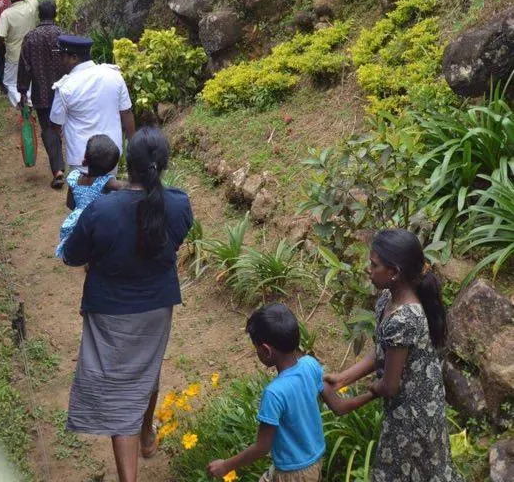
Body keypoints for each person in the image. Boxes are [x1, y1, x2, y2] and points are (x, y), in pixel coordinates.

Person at [62, 127, 193, 482]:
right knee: (146, 370)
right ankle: (146, 434)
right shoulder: (179, 204)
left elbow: (73, 257)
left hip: (109, 310)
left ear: (126, 166)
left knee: (119, 386)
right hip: (157, 308)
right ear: (162, 165)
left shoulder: (101, 210)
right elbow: (174, 242)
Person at [324, 229, 462, 482]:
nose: (368, 269)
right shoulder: (388, 299)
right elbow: (382, 353)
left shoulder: (404, 319)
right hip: (410, 406)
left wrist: (350, 403)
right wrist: (343, 378)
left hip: (414, 415)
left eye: (374, 265)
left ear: (394, 273)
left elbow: (389, 385)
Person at [207, 303, 372, 481]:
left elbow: (262, 447)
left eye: (256, 348)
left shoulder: (274, 394)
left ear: (266, 351)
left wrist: (225, 466)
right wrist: (373, 392)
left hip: (293, 473)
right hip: (312, 461)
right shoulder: (310, 364)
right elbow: (339, 407)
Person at [49, 34, 136, 171]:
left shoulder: (65, 87)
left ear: (74, 58)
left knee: (80, 191)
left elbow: (55, 125)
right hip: (111, 155)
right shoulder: (114, 75)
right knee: (109, 189)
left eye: (62, 56)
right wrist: (133, 147)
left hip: (82, 160)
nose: (60, 60)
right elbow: (127, 112)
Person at [17, 0, 65, 188]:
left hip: (42, 94)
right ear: (55, 13)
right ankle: (74, 168)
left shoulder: (31, 38)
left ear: (39, 14)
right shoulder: (62, 35)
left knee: (48, 129)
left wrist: (22, 91)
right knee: (64, 129)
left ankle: (58, 169)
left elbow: (25, 67)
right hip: (64, 92)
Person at [56, 134, 127, 257]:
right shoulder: (107, 182)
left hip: (78, 223)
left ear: (85, 159)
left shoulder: (74, 177)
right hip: (98, 221)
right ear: (112, 166)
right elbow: (124, 187)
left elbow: (70, 204)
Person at [0, 0, 39, 107]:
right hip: (32, 54)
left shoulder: (6, 14)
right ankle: (29, 103)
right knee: (29, 82)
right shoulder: (31, 6)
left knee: (9, 83)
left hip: (14, 56)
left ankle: (20, 102)